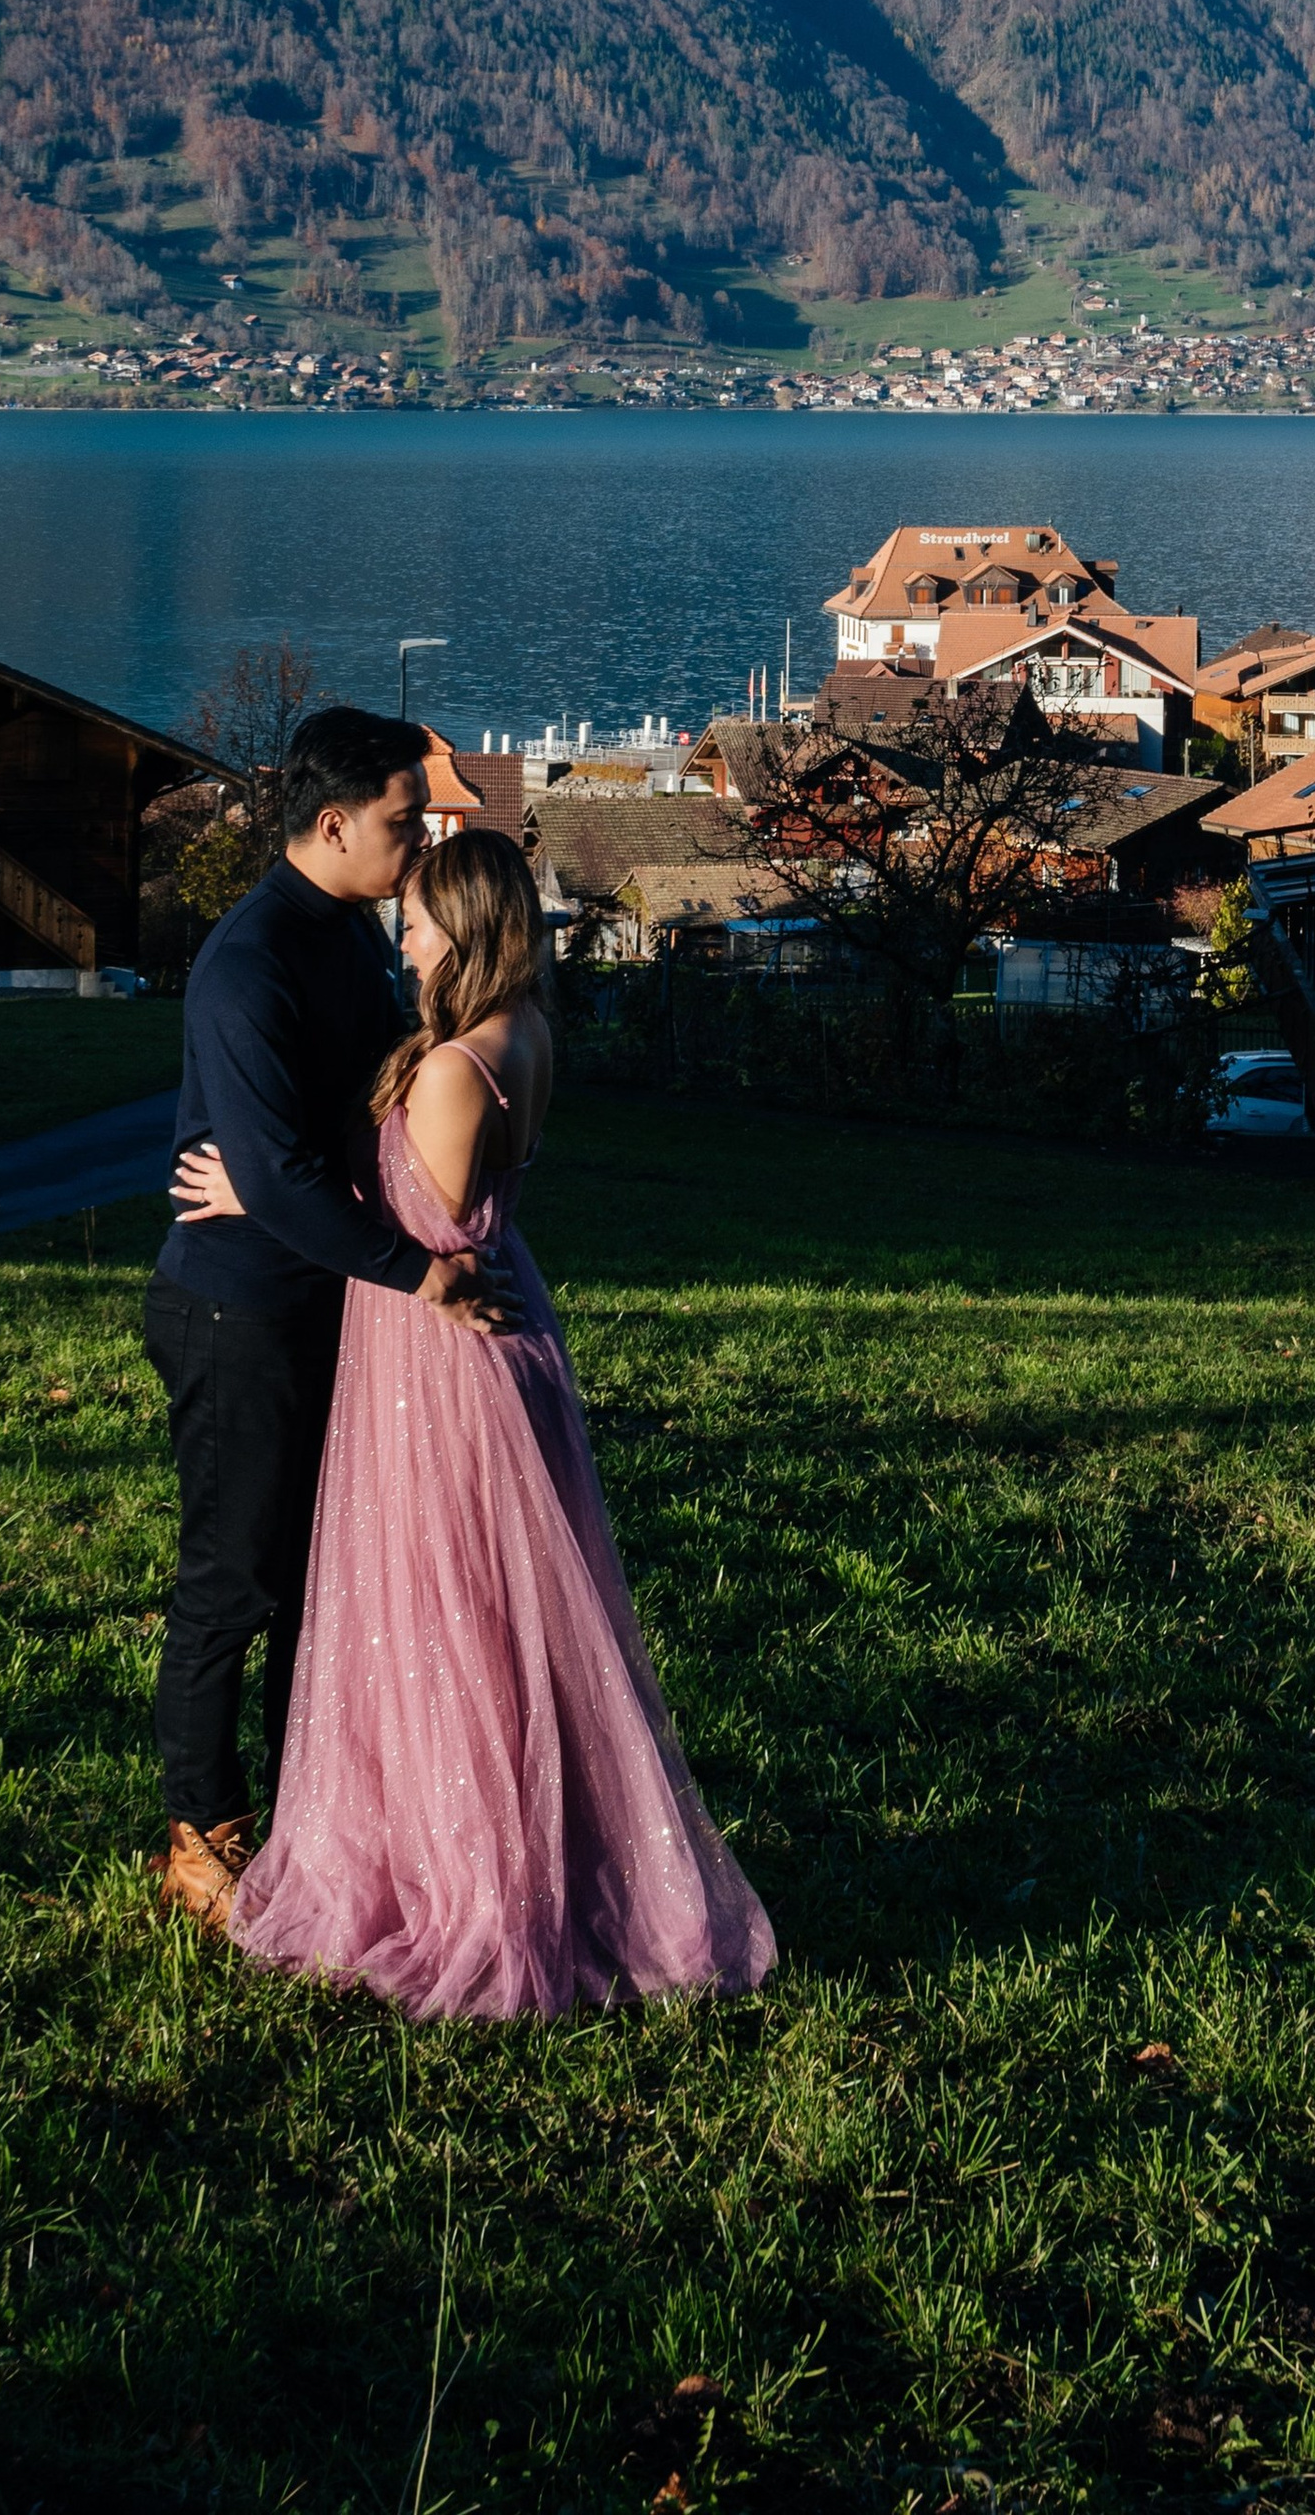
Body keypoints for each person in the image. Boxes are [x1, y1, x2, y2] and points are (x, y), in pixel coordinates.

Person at [172, 825, 777, 2021]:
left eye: (420, 919)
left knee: (450, 1607)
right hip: (487, 1324)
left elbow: (420, 1218)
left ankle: (472, 1876)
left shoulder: (455, 1067)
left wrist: (262, 1188)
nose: (403, 937)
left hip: (438, 1350)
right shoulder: (527, 1034)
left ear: (464, 927)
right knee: (491, 1603)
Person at [144, 704, 511, 1933]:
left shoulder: (347, 938)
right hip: (238, 1311)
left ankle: (323, 1816)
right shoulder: (249, 962)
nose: (419, 845)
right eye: (405, 825)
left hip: (329, 1301)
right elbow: (279, 1168)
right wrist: (418, 1273)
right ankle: (202, 1834)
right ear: (333, 822)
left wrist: (302, 1188)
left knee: (323, 1579)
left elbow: (348, 1131)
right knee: (234, 1580)